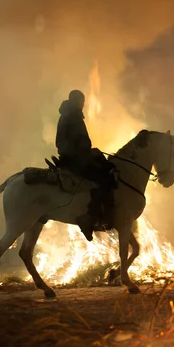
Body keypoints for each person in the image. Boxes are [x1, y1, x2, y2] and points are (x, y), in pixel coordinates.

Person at [56, 89, 116, 242]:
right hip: (75, 159)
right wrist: (89, 153)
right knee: (103, 179)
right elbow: (80, 143)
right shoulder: (73, 117)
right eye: (82, 102)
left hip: (72, 157)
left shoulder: (67, 115)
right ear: (76, 101)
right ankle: (90, 216)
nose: (83, 105)